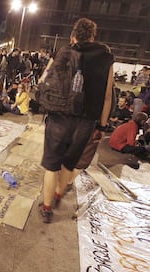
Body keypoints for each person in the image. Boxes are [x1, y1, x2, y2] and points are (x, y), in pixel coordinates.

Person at [39, 18, 114, 223]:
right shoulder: (106, 58)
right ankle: (57, 196)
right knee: (68, 164)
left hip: (59, 118)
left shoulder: (63, 53)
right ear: (92, 36)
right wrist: (102, 126)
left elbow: (42, 82)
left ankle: (46, 209)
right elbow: (108, 97)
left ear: (74, 36)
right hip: (86, 122)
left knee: (51, 165)